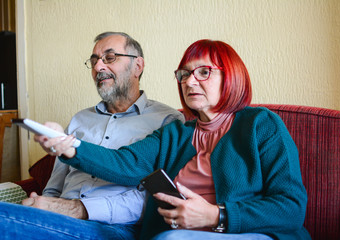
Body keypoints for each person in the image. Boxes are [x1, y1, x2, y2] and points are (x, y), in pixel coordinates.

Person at [36, 39, 311, 240]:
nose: (190, 82)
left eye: (203, 72)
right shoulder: (176, 133)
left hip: (253, 233)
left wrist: (217, 215)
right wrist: (69, 145)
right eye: (184, 74)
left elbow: (291, 207)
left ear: (231, 77)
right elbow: (125, 162)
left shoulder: (260, 124)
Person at [0, 32, 184, 240]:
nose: (98, 67)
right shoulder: (80, 119)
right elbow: (54, 187)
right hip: (59, 221)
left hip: (115, 228)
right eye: (94, 60)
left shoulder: (167, 120)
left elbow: (155, 200)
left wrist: (75, 209)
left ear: (137, 66)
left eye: (110, 57)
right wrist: (39, 207)